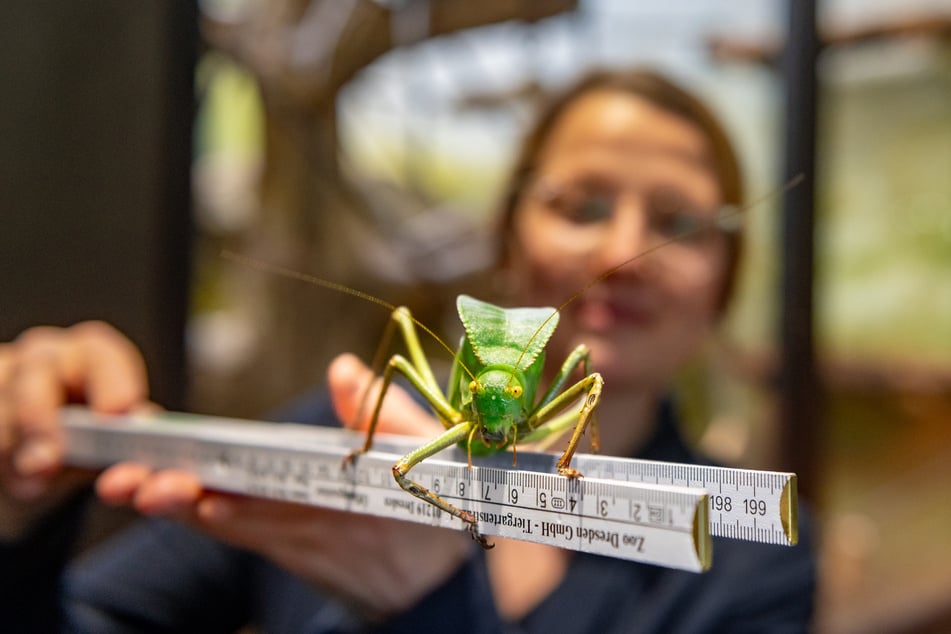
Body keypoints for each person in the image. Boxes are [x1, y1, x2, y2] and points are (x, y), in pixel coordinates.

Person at [0, 68, 816, 632]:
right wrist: (17, 514)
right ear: (507, 236)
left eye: (678, 223)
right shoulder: (339, 432)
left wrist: (427, 603)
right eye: (582, 204)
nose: (617, 253)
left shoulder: (752, 556)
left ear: (724, 284)